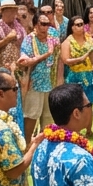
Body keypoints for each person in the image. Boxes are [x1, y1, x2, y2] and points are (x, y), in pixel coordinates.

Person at [19, 12, 58, 141]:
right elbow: (26, 61)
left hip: (49, 83)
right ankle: (27, 144)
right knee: (31, 115)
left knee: (48, 117)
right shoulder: (29, 40)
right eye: (43, 24)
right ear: (36, 25)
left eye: (48, 24)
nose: (46, 27)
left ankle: (46, 144)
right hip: (34, 83)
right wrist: (46, 54)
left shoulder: (52, 39)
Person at [60, 15, 93, 136]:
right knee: (75, 105)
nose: (81, 27)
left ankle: (89, 130)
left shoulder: (89, 40)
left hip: (88, 74)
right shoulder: (67, 42)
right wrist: (81, 58)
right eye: (78, 25)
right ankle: (75, 129)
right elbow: (65, 60)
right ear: (72, 27)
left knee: (89, 104)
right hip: (74, 75)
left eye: (82, 24)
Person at [0, 0, 25, 71]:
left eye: (14, 10)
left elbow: (25, 45)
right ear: (3, 12)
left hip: (17, 67)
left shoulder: (19, 27)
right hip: (1, 68)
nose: (13, 13)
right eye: (10, 11)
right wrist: (7, 39)